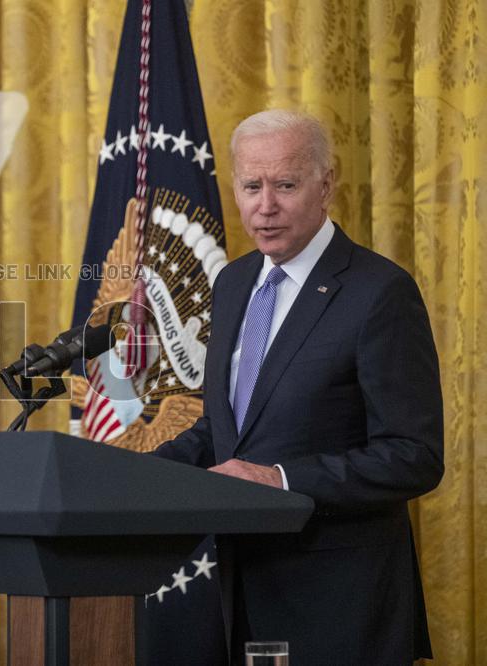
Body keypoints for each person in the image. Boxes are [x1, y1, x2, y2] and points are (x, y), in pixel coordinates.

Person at [153, 110, 443, 664]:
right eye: (251, 186)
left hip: (338, 605)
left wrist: (279, 478)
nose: (265, 206)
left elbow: (415, 456)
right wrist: (136, 475)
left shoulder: (380, 292)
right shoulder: (234, 281)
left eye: (285, 185)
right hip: (236, 591)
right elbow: (224, 428)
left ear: (326, 184)